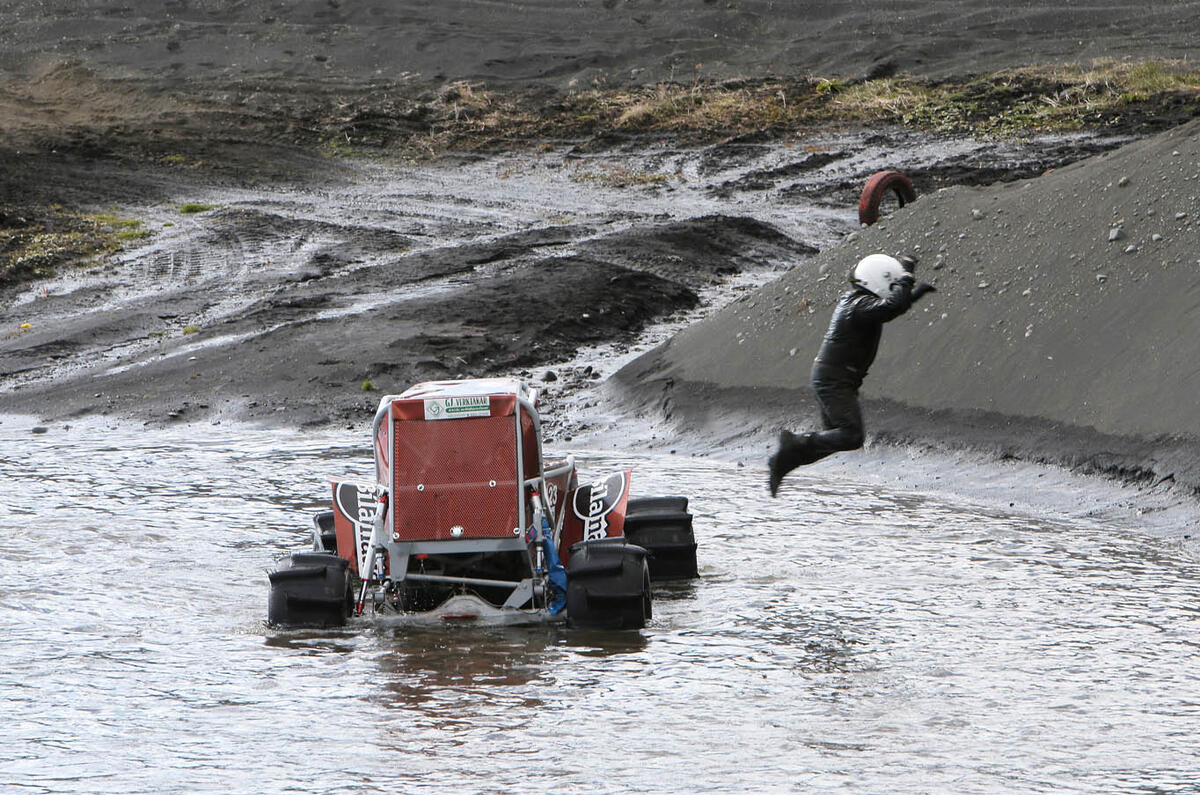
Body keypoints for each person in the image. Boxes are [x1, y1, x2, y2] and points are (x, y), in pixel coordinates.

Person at [768, 253, 936, 497]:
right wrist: (907, 276)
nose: (894, 291)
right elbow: (892, 307)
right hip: (835, 380)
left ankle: (782, 463)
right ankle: (792, 444)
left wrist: (913, 291)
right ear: (878, 281)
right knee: (851, 435)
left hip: (831, 378)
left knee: (832, 440)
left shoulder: (858, 302)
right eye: (892, 286)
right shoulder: (859, 305)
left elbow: (892, 307)